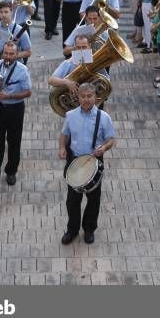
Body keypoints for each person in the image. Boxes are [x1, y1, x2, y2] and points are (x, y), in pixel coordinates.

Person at [58, 83, 116, 244]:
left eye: (89, 96)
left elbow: (111, 139)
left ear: (95, 97)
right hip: (75, 161)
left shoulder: (104, 118)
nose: (86, 99)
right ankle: (72, 229)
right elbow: (64, 135)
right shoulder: (70, 115)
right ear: (78, 98)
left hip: (94, 162)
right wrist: (62, 148)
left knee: (93, 199)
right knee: (72, 200)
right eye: (83, 96)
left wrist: (103, 148)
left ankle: (89, 229)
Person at [0, 42, 32, 192]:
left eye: (11, 54)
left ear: (16, 55)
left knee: (14, 142)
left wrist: (9, 95)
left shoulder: (23, 70)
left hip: (15, 109)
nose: (8, 57)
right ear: (3, 53)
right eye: (6, 53)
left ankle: (11, 171)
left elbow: (28, 92)